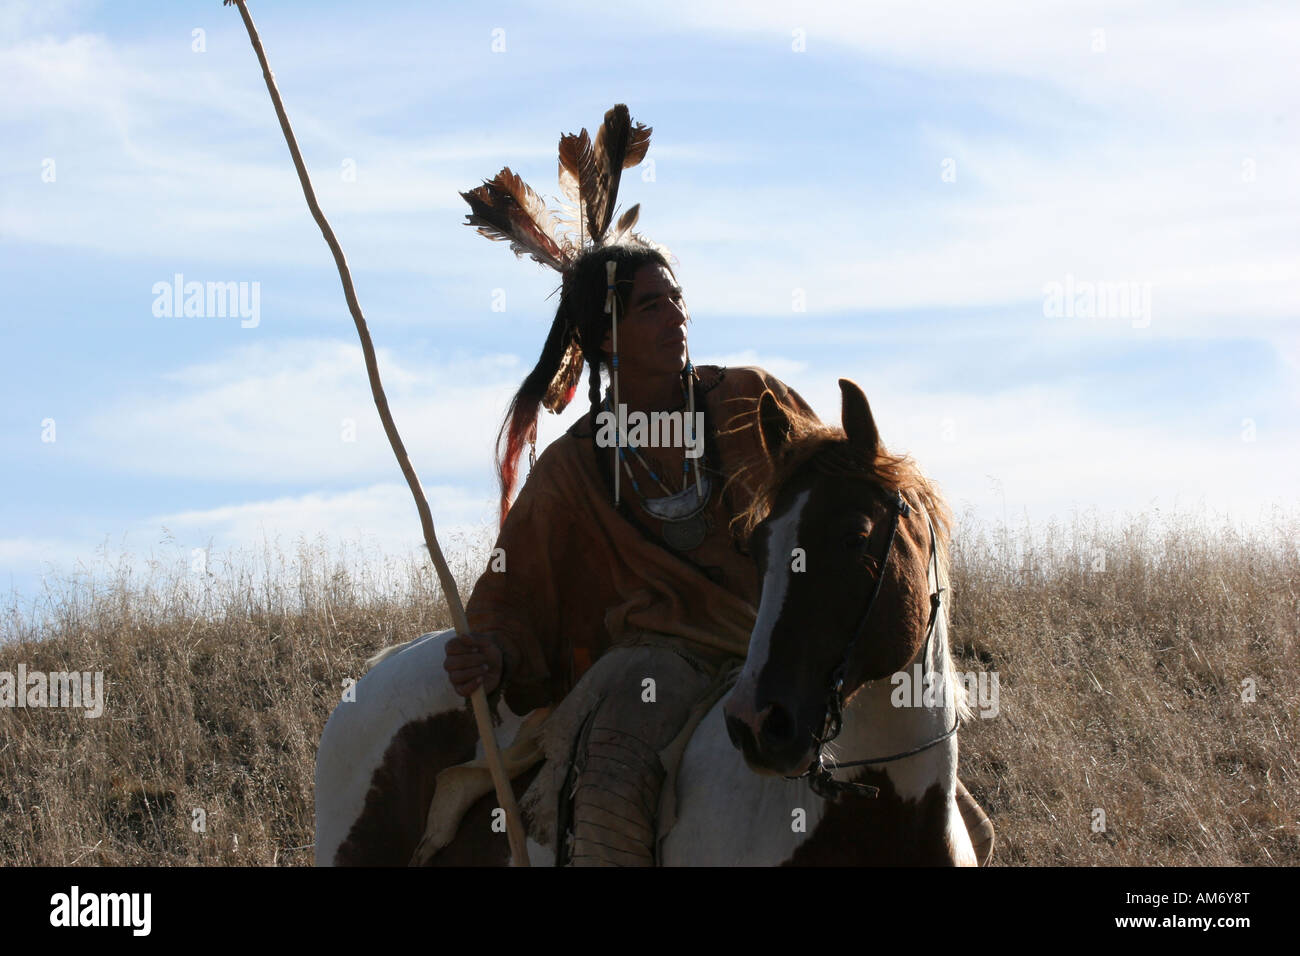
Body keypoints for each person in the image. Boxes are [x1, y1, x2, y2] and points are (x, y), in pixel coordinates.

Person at [444, 238, 817, 865]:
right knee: (611, 776)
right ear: (607, 338)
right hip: (656, 665)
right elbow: (510, 589)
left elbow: (832, 495)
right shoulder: (573, 469)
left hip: (776, 648)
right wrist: (492, 650)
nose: (676, 317)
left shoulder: (750, 403)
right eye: (651, 306)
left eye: (677, 299)